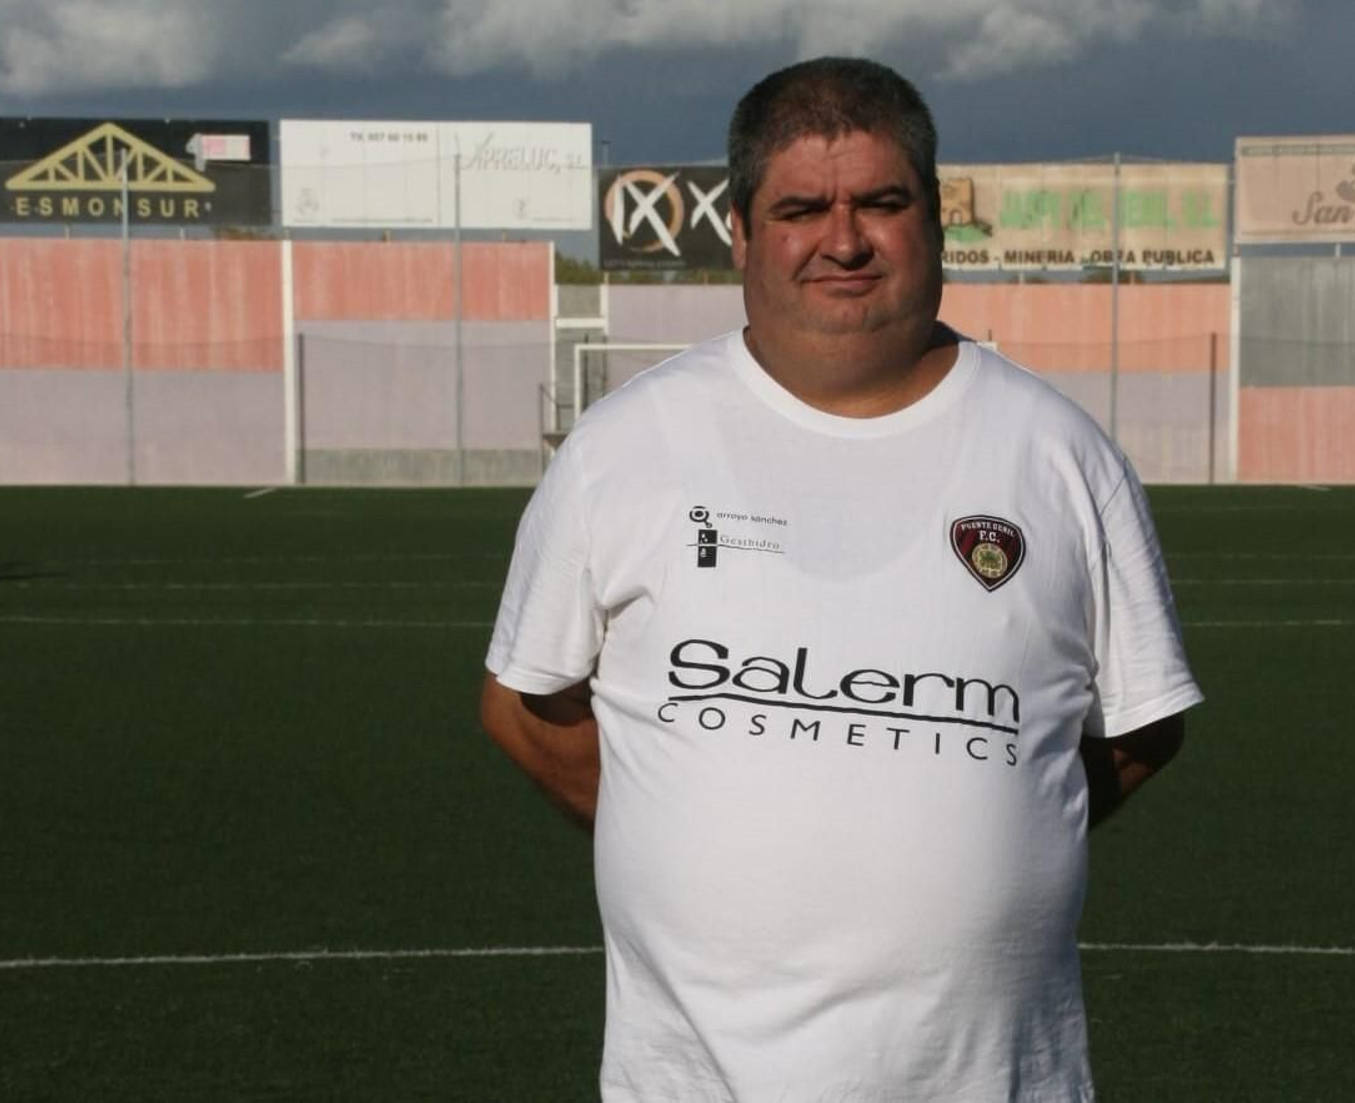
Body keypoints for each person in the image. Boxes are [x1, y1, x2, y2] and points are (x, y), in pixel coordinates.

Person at [481, 56, 1202, 1102]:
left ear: (935, 220)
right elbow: (523, 704)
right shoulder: (625, 447)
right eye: (802, 207)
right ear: (741, 233)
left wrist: (997, 817)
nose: (844, 238)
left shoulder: (1058, 454)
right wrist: (678, 822)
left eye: (881, 201)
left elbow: (1142, 723)